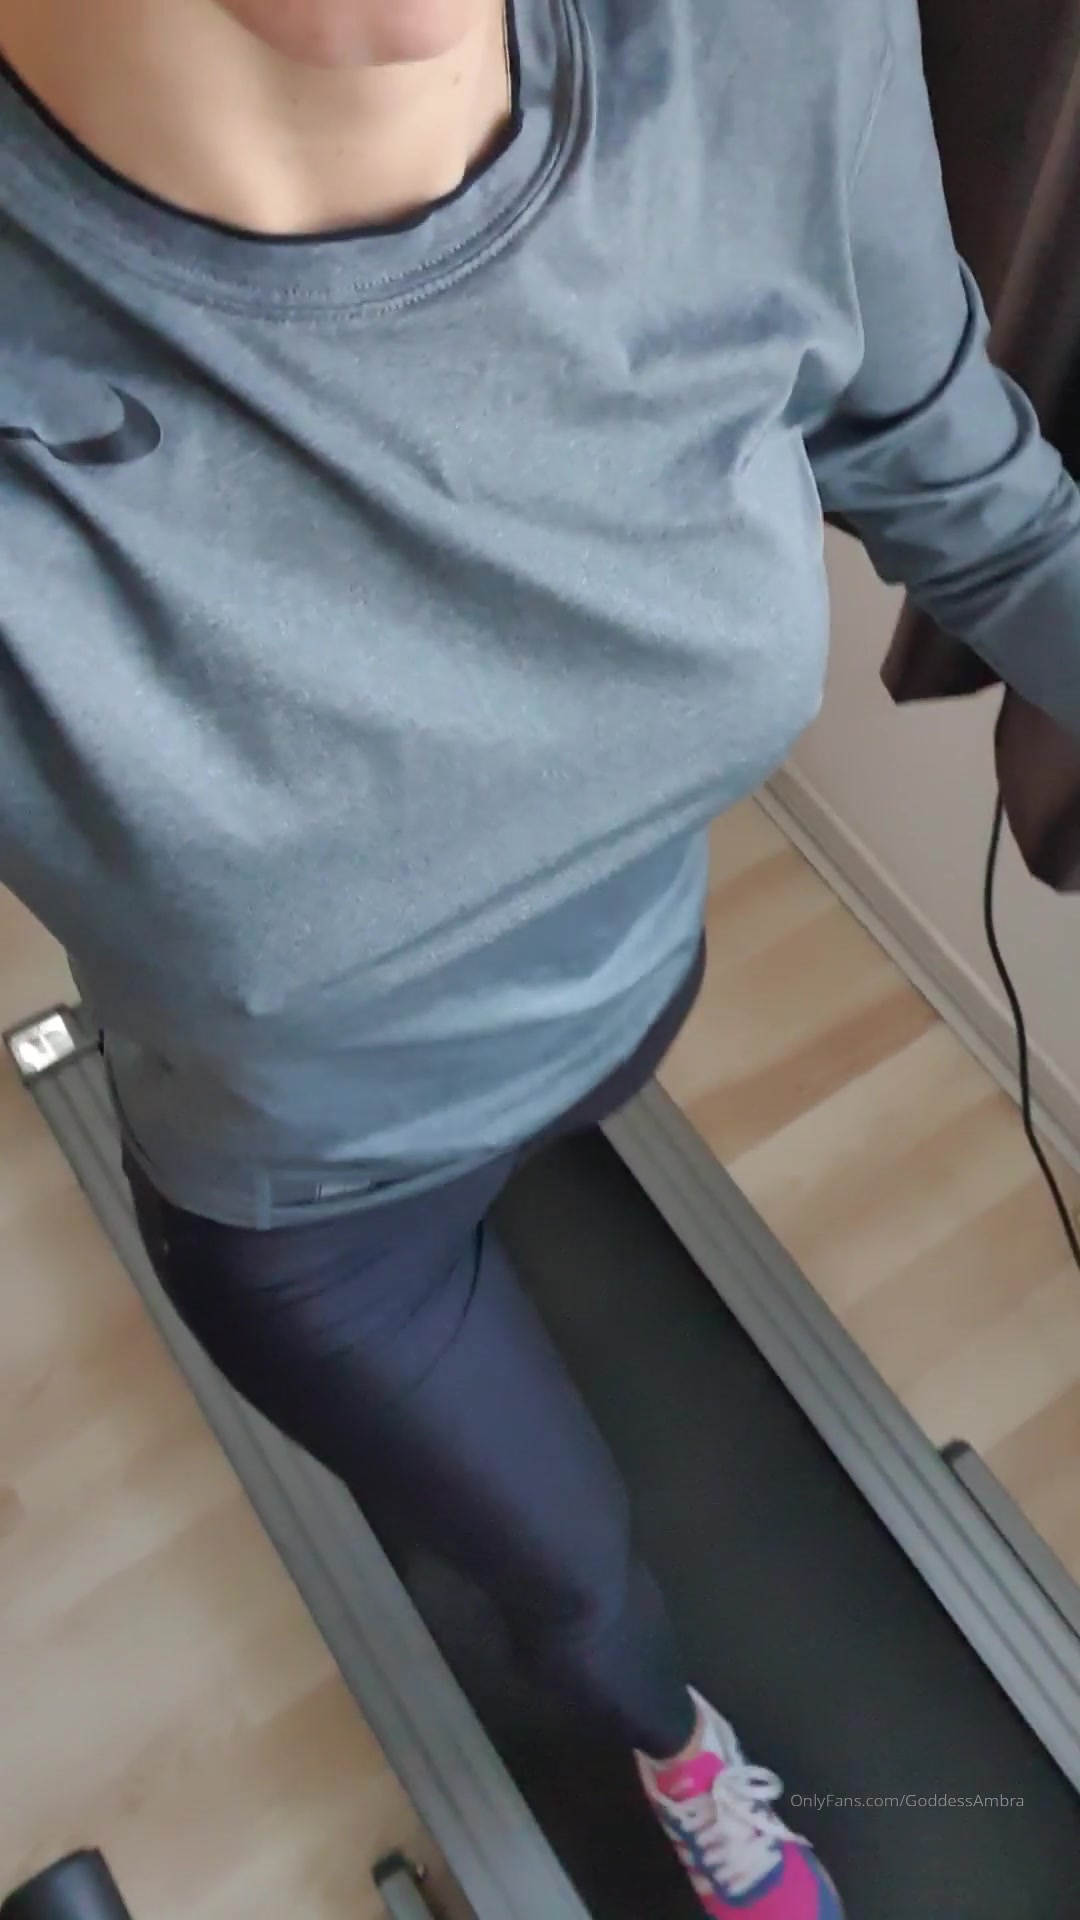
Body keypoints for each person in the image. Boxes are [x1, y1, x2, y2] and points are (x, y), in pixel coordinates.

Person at [1, 0, 1078, 1912]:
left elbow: (966, 486)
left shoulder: (763, 43)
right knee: (574, 1581)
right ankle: (681, 1757)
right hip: (330, 1216)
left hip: (636, 990)